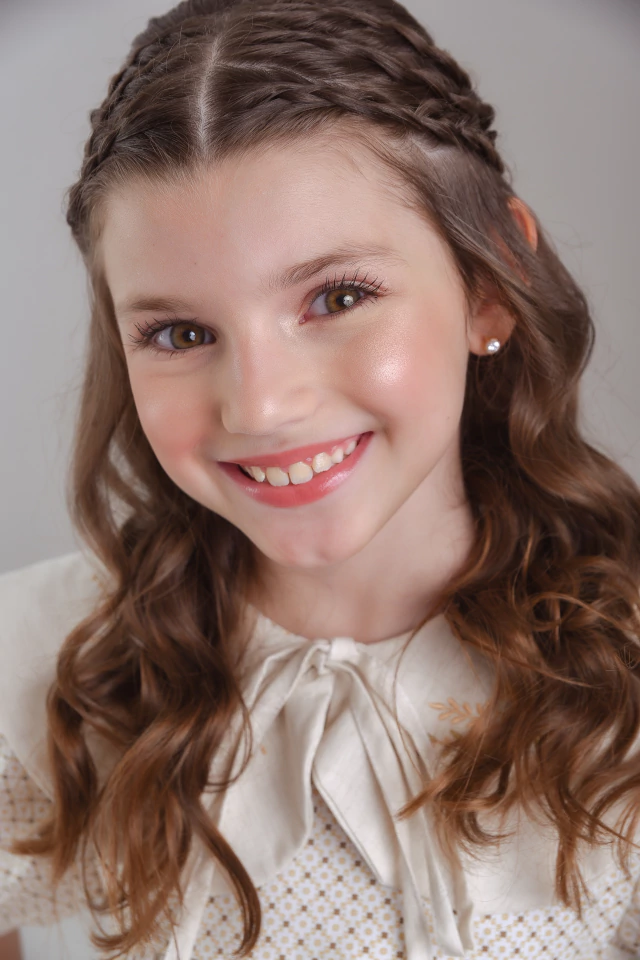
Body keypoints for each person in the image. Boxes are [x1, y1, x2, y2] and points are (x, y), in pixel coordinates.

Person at [2, 0, 640, 957]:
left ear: (490, 282)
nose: (259, 406)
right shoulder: (38, 663)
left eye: (339, 297)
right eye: (180, 332)